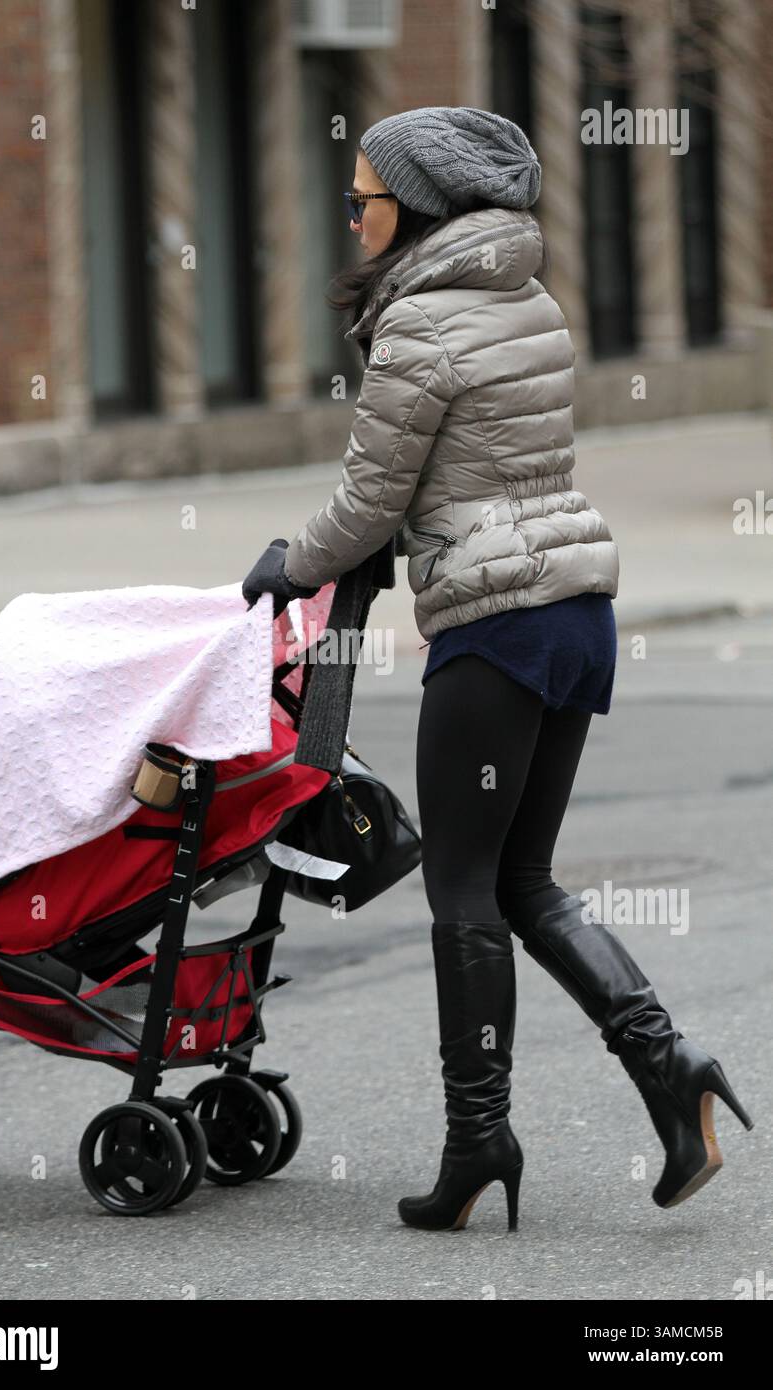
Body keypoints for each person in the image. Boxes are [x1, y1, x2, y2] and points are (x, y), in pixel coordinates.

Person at [242, 106, 753, 1233]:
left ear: (415, 206)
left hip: (498, 621)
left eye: (363, 196)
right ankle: (670, 1071)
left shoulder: (420, 323)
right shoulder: (524, 295)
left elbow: (373, 496)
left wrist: (292, 563)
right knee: (523, 882)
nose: (353, 214)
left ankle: (479, 1138)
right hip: (572, 610)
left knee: (464, 893)